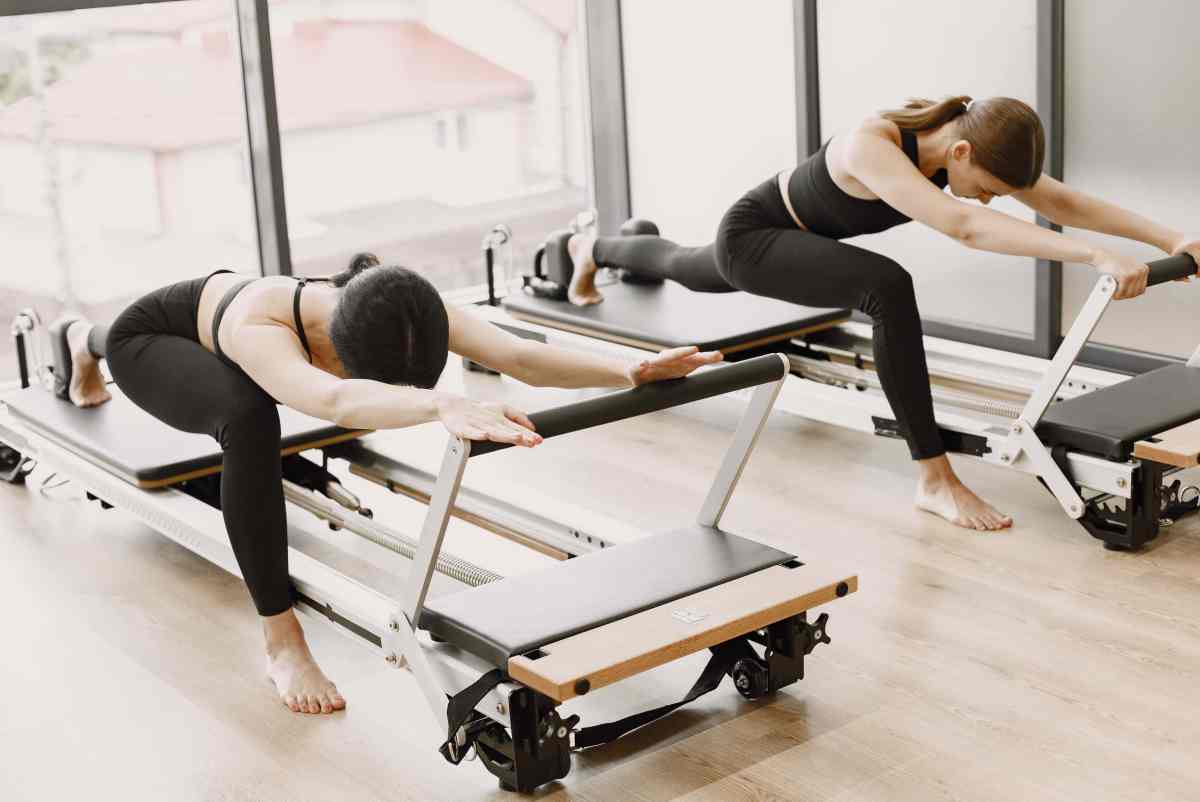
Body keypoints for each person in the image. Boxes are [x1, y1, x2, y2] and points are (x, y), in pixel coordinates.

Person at [53, 253, 722, 715]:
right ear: (341, 351)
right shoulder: (262, 327)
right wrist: (438, 406)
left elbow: (519, 357)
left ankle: (80, 337)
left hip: (217, 309)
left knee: (293, 410)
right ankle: (280, 641)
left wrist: (632, 369)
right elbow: (335, 402)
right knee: (249, 418)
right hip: (156, 335)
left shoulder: (401, 303)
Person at [565, 95, 1200, 532]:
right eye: (991, 187)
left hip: (785, 235)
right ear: (959, 155)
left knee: (684, 264)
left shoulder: (969, 138)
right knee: (885, 288)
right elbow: (965, 226)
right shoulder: (872, 145)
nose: (992, 198)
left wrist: (1170, 238)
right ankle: (933, 478)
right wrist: (1094, 256)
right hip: (754, 236)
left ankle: (588, 248)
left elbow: (1063, 200)